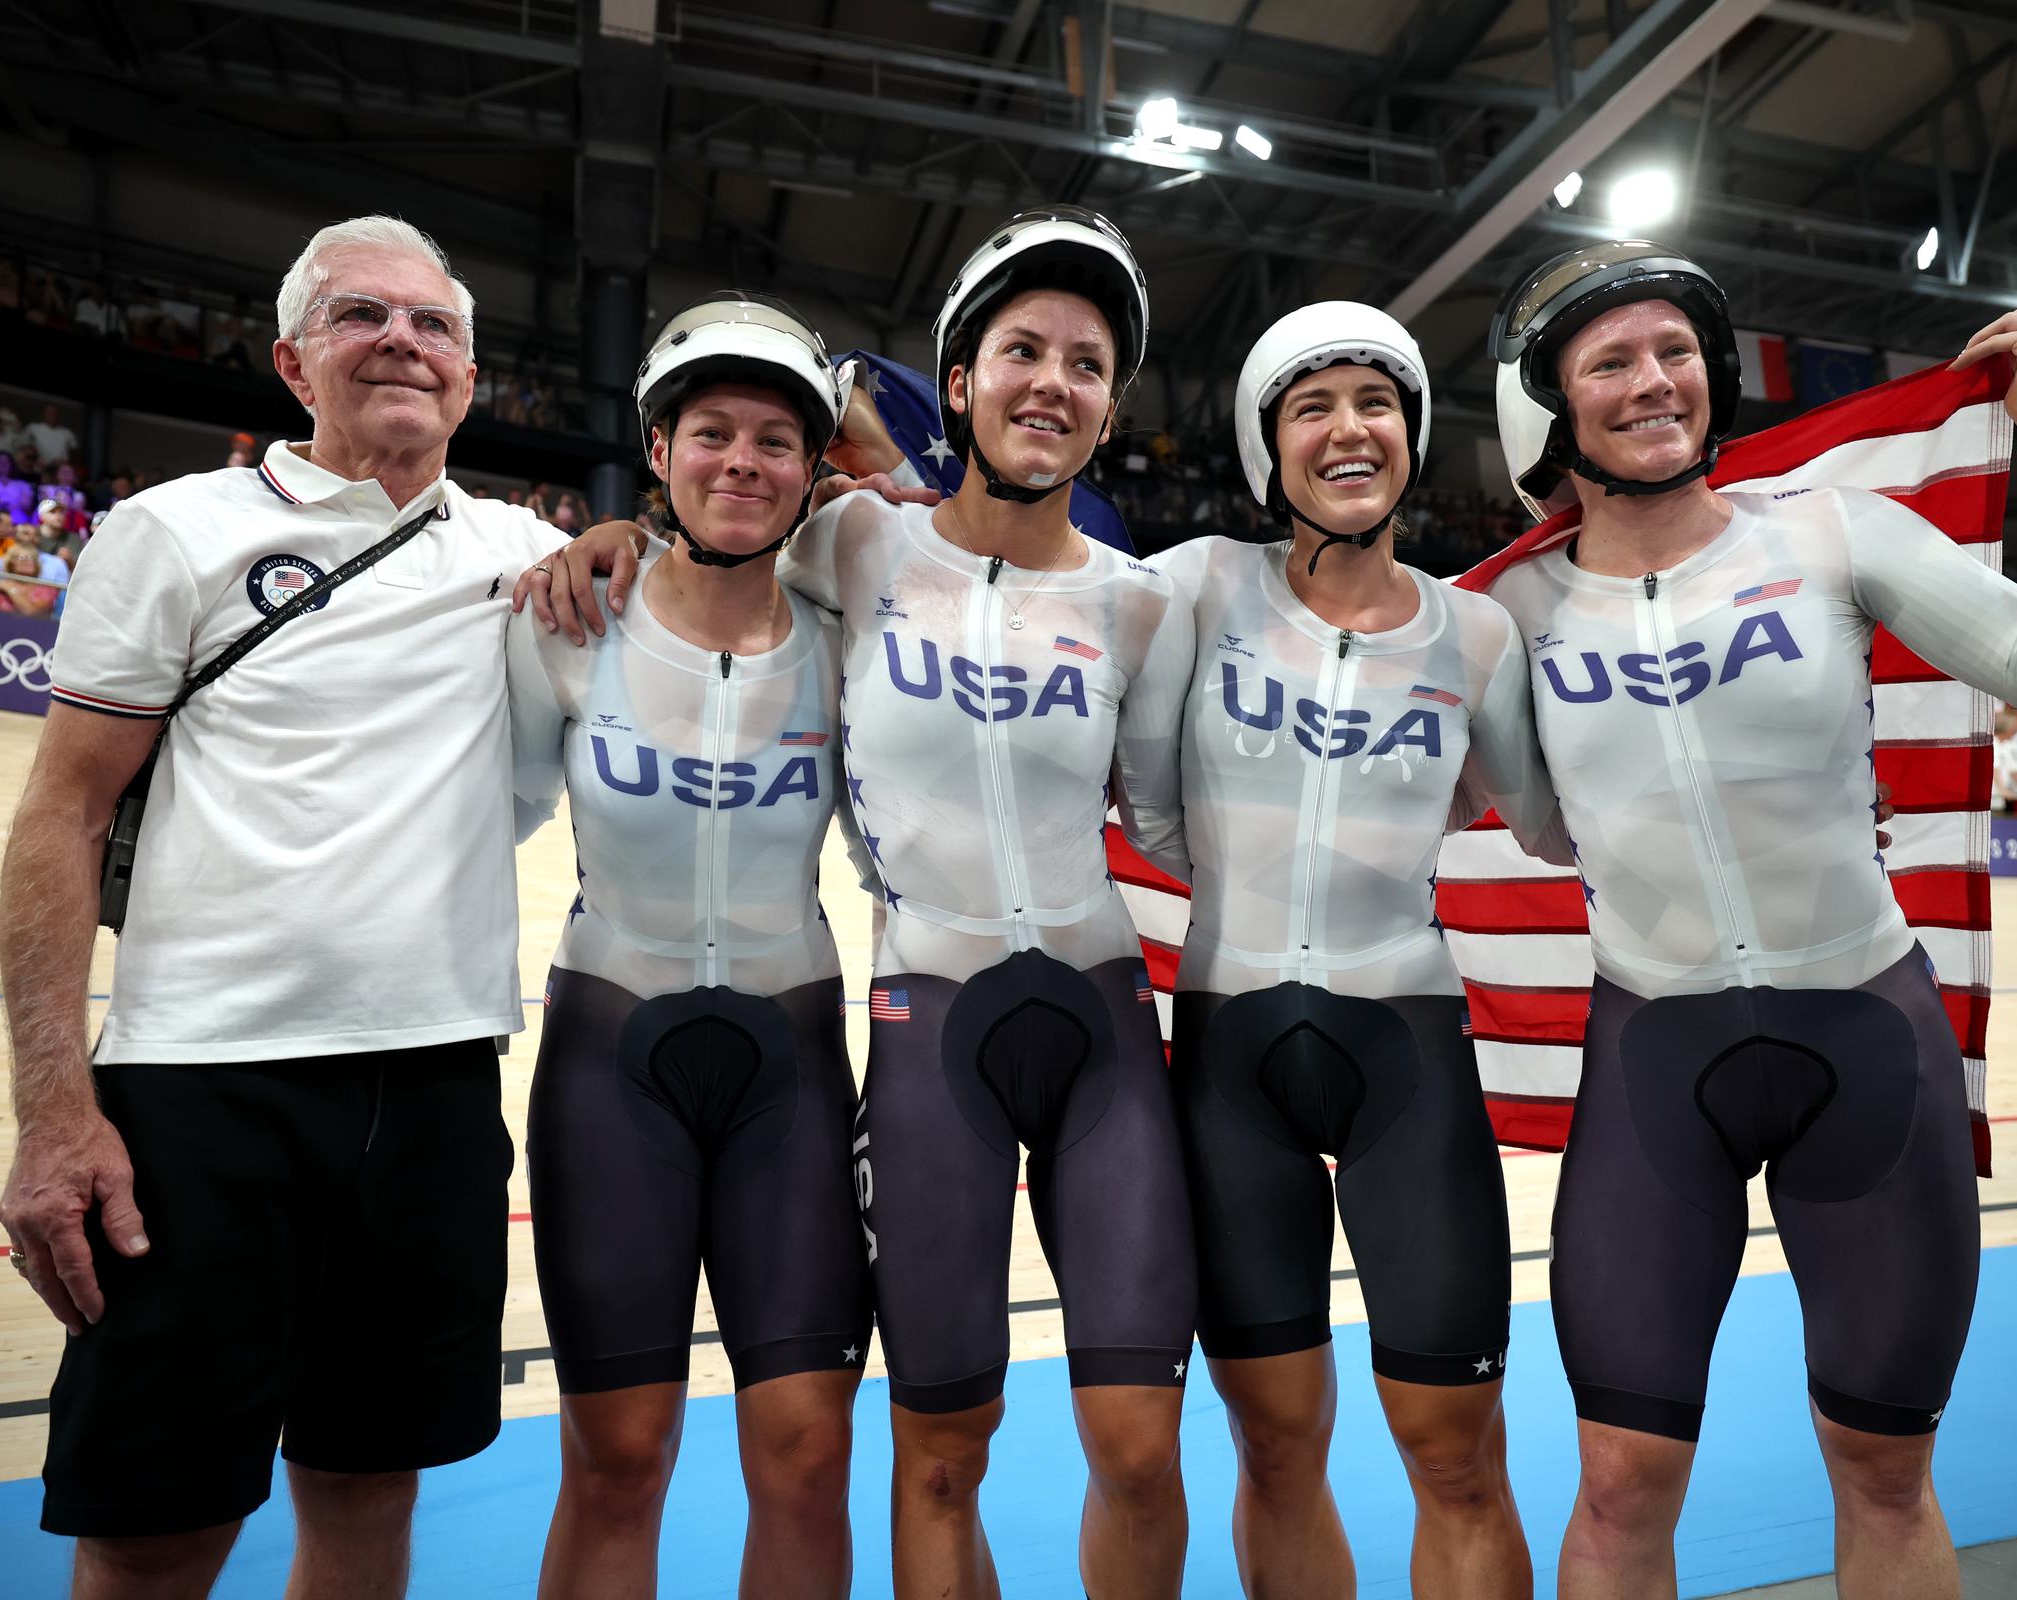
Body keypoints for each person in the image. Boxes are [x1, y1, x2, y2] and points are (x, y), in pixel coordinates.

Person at [531, 205, 1201, 1600]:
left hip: (1099, 1016)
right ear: (958, 380)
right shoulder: (855, 554)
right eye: (1021, 349)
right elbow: (731, 502)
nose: (1052, 381)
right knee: (936, 1449)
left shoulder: (1143, 607)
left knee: (1139, 1445)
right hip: (919, 1023)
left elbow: (1170, 821)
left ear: (1110, 407)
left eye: (1086, 361)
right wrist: (610, 528)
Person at [1481, 239, 2017, 1600]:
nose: (1655, 377)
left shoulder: (1829, 532)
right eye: (1610, 358)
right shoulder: (1510, 619)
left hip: (1867, 1043)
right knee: (1620, 1484)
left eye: (1675, 348)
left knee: (1883, 1469)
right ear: (1548, 408)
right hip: (1653, 1071)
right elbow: (1545, 826)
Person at [0, 213, 568, 1599]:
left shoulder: (518, 553)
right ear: (290, 359)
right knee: (156, 1531)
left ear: (471, 382)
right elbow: (59, 819)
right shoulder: (175, 531)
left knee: (369, 1500)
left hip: (431, 1092)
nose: (403, 341)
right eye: (363, 314)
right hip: (201, 1097)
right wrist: (54, 1115)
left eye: (435, 325)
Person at [1144, 301, 1563, 1599]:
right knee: (1275, 1445)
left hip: (1406, 1059)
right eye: (1311, 405)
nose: (1347, 427)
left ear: (1414, 434)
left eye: (1375, 401)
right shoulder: (1197, 584)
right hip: (1232, 1060)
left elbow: (1542, 819)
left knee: (1457, 1457)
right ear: (1267, 445)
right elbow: (1151, 807)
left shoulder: (1476, 635)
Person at [508, 293, 875, 1599]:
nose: (741, 462)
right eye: (710, 432)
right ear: (656, 453)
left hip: (792, 1067)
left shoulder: (855, 646)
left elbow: (967, 536)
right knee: (619, 1454)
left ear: (814, 474)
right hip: (613, 1063)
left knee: (809, 1450)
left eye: (778, 441)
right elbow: (473, 826)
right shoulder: (566, 626)